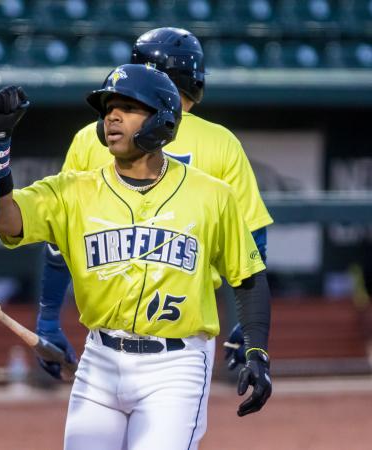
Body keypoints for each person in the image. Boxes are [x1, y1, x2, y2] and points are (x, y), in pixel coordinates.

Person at [0, 64, 272, 449]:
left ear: (162, 120)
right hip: (99, 361)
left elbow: (248, 277)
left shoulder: (211, 195)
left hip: (176, 365)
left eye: (128, 107)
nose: (112, 116)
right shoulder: (73, 189)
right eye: (108, 108)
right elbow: (7, 221)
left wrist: (257, 349)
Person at [34, 27, 272, 378]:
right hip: (185, 333)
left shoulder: (93, 137)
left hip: (106, 328)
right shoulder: (221, 142)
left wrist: (49, 318)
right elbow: (254, 246)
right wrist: (249, 331)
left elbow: (57, 244)